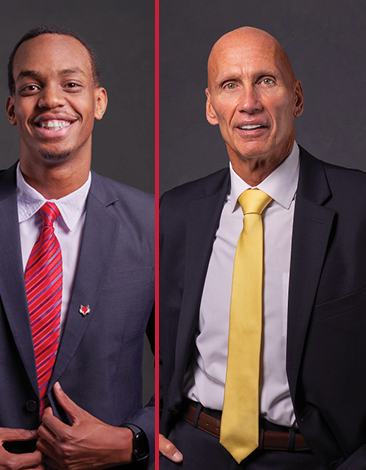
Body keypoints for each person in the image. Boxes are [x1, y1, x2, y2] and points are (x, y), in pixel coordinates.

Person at [159, 26, 366, 469]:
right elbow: (157, 344)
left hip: (314, 459)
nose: (248, 102)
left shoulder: (359, 207)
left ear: (297, 97)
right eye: (229, 85)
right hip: (193, 450)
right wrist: (150, 426)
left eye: (265, 81)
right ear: (212, 108)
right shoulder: (177, 211)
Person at [0, 26, 154, 470]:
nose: (50, 100)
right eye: (30, 87)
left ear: (98, 102)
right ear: (11, 109)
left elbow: (192, 373)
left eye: (71, 84)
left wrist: (131, 441)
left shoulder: (154, 225)